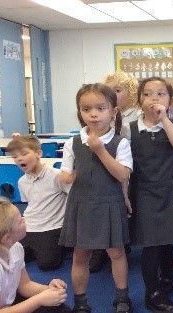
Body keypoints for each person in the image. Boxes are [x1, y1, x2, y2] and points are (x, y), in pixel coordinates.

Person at [58, 83, 133, 313]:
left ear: (113, 111)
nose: (93, 114)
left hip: (110, 203)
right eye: (86, 109)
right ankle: (81, 301)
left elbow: (122, 174)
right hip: (81, 205)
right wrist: (66, 177)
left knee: (116, 253)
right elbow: (64, 173)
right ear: (80, 112)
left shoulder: (121, 142)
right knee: (80, 255)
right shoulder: (73, 142)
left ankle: (122, 298)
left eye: (100, 108)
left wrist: (100, 150)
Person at [129, 77, 173, 312]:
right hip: (143, 192)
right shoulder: (129, 128)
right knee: (151, 244)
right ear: (139, 100)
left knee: (167, 238)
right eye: (147, 93)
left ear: (170, 101)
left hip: (169, 189)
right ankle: (151, 292)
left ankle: (166, 277)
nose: (154, 98)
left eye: (161, 93)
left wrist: (163, 118)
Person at [0, 199, 71, 313]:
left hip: (6, 304)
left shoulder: (15, 247)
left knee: (59, 308)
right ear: (7, 238)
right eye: (20, 221)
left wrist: (48, 290)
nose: (24, 219)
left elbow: (25, 286)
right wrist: (40, 299)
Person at [88, 71, 139, 273]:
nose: (113, 94)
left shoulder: (136, 116)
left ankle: (121, 245)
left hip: (127, 167)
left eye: (118, 90)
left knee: (123, 209)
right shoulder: (101, 112)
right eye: (110, 91)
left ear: (132, 93)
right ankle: (101, 248)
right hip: (103, 165)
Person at [4, 135, 69, 271]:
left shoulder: (56, 176)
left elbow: (73, 198)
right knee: (7, 255)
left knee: (47, 264)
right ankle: (38, 247)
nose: (19, 159)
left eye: (24, 154)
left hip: (51, 227)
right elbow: (30, 204)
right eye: (15, 157)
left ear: (38, 153)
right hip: (29, 226)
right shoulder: (22, 181)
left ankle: (56, 246)